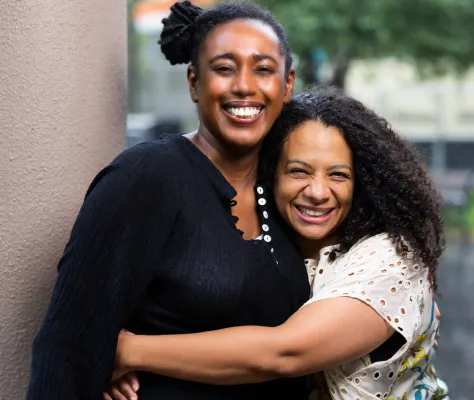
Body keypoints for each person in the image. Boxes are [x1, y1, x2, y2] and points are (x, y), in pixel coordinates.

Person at [26, 2, 312, 399]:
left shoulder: (290, 189)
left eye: (263, 69)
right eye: (224, 68)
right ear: (194, 82)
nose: (244, 86)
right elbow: (67, 348)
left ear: (287, 84)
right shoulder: (147, 176)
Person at [106, 86, 449, 400]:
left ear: (362, 183)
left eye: (338, 175)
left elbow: (285, 353)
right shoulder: (277, 245)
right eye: (299, 171)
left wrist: (124, 353)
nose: (317, 192)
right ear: (271, 174)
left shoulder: (392, 259)